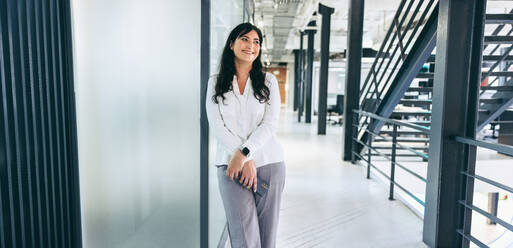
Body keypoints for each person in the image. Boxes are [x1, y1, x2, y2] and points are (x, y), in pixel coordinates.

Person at [205, 22, 286, 248]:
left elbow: (270, 125)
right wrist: (242, 158)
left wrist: (245, 154)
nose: (251, 45)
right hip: (231, 167)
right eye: (245, 39)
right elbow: (217, 125)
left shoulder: (268, 81)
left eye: (256, 41)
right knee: (244, 238)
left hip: (269, 165)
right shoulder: (215, 82)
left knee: (267, 238)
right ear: (231, 44)